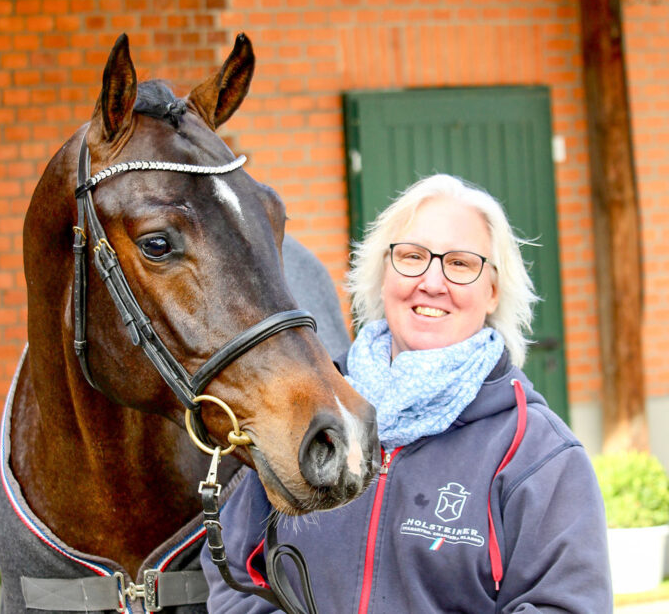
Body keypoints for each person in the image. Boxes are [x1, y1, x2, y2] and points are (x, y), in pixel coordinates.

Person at [202, 174, 612, 613]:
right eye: (412, 256)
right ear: (383, 275)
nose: (432, 282)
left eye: (460, 263)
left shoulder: (537, 454)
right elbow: (234, 575)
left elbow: (565, 605)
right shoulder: (310, 412)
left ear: (493, 291)